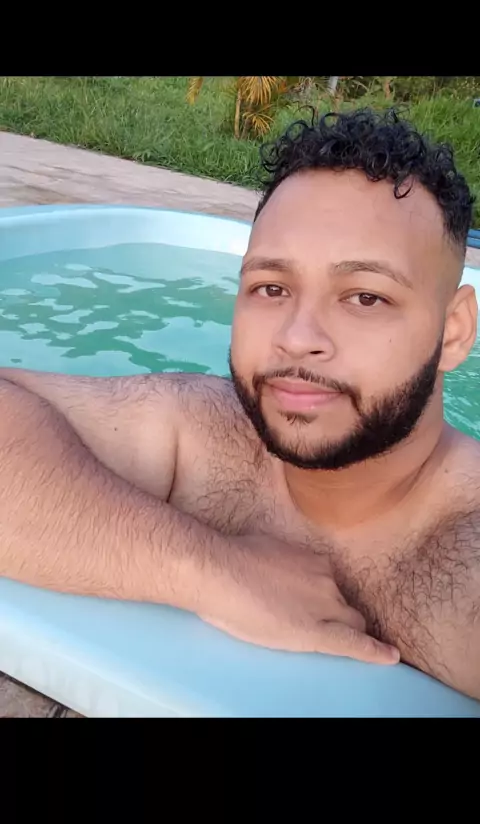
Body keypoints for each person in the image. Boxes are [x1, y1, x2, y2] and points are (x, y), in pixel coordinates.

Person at [0, 108, 479, 701]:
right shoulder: (202, 433)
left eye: (364, 297)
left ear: (454, 332)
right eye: (271, 288)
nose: (296, 337)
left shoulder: (463, 561)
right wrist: (213, 570)